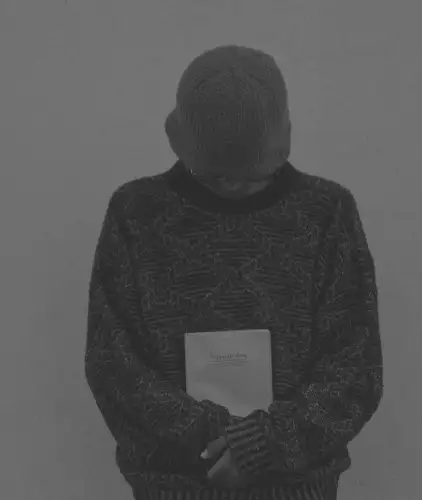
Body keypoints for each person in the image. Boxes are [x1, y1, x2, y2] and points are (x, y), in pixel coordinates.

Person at [85, 44, 383, 500]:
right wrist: (218, 440)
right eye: (214, 173)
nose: (233, 184)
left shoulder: (325, 213)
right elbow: (114, 365)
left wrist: (263, 445)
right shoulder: (137, 214)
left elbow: (354, 366)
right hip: (173, 489)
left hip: (296, 489)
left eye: (252, 172)